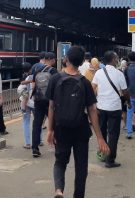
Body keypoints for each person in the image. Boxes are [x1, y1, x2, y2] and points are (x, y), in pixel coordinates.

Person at [47, 46, 108, 198]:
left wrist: (50, 130)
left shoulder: (55, 79)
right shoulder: (85, 82)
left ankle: (59, 190)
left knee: (60, 162)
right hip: (81, 130)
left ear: (66, 59)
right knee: (81, 168)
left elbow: (51, 106)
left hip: (61, 128)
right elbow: (92, 110)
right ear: (81, 63)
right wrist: (100, 137)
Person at [92, 51, 128, 168]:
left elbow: (93, 89)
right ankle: (110, 160)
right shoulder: (119, 74)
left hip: (100, 107)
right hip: (114, 108)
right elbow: (125, 91)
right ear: (113, 59)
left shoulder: (98, 73)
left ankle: (103, 154)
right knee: (113, 134)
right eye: (116, 58)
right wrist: (129, 102)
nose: (117, 60)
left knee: (102, 132)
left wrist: (93, 104)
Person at [31, 52, 58, 157]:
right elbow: (57, 87)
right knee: (54, 123)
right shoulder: (53, 71)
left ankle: (35, 148)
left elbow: (34, 85)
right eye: (54, 59)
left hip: (38, 100)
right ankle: (56, 145)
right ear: (51, 59)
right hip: (50, 101)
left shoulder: (37, 70)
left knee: (37, 124)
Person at [17, 62, 34, 149]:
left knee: (26, 122)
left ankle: (27, 143)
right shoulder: (35, 76)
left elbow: (21, 85)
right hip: (35, 102)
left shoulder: (24, 76)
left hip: (26, 101)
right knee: (37, 121)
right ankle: (40, 141)